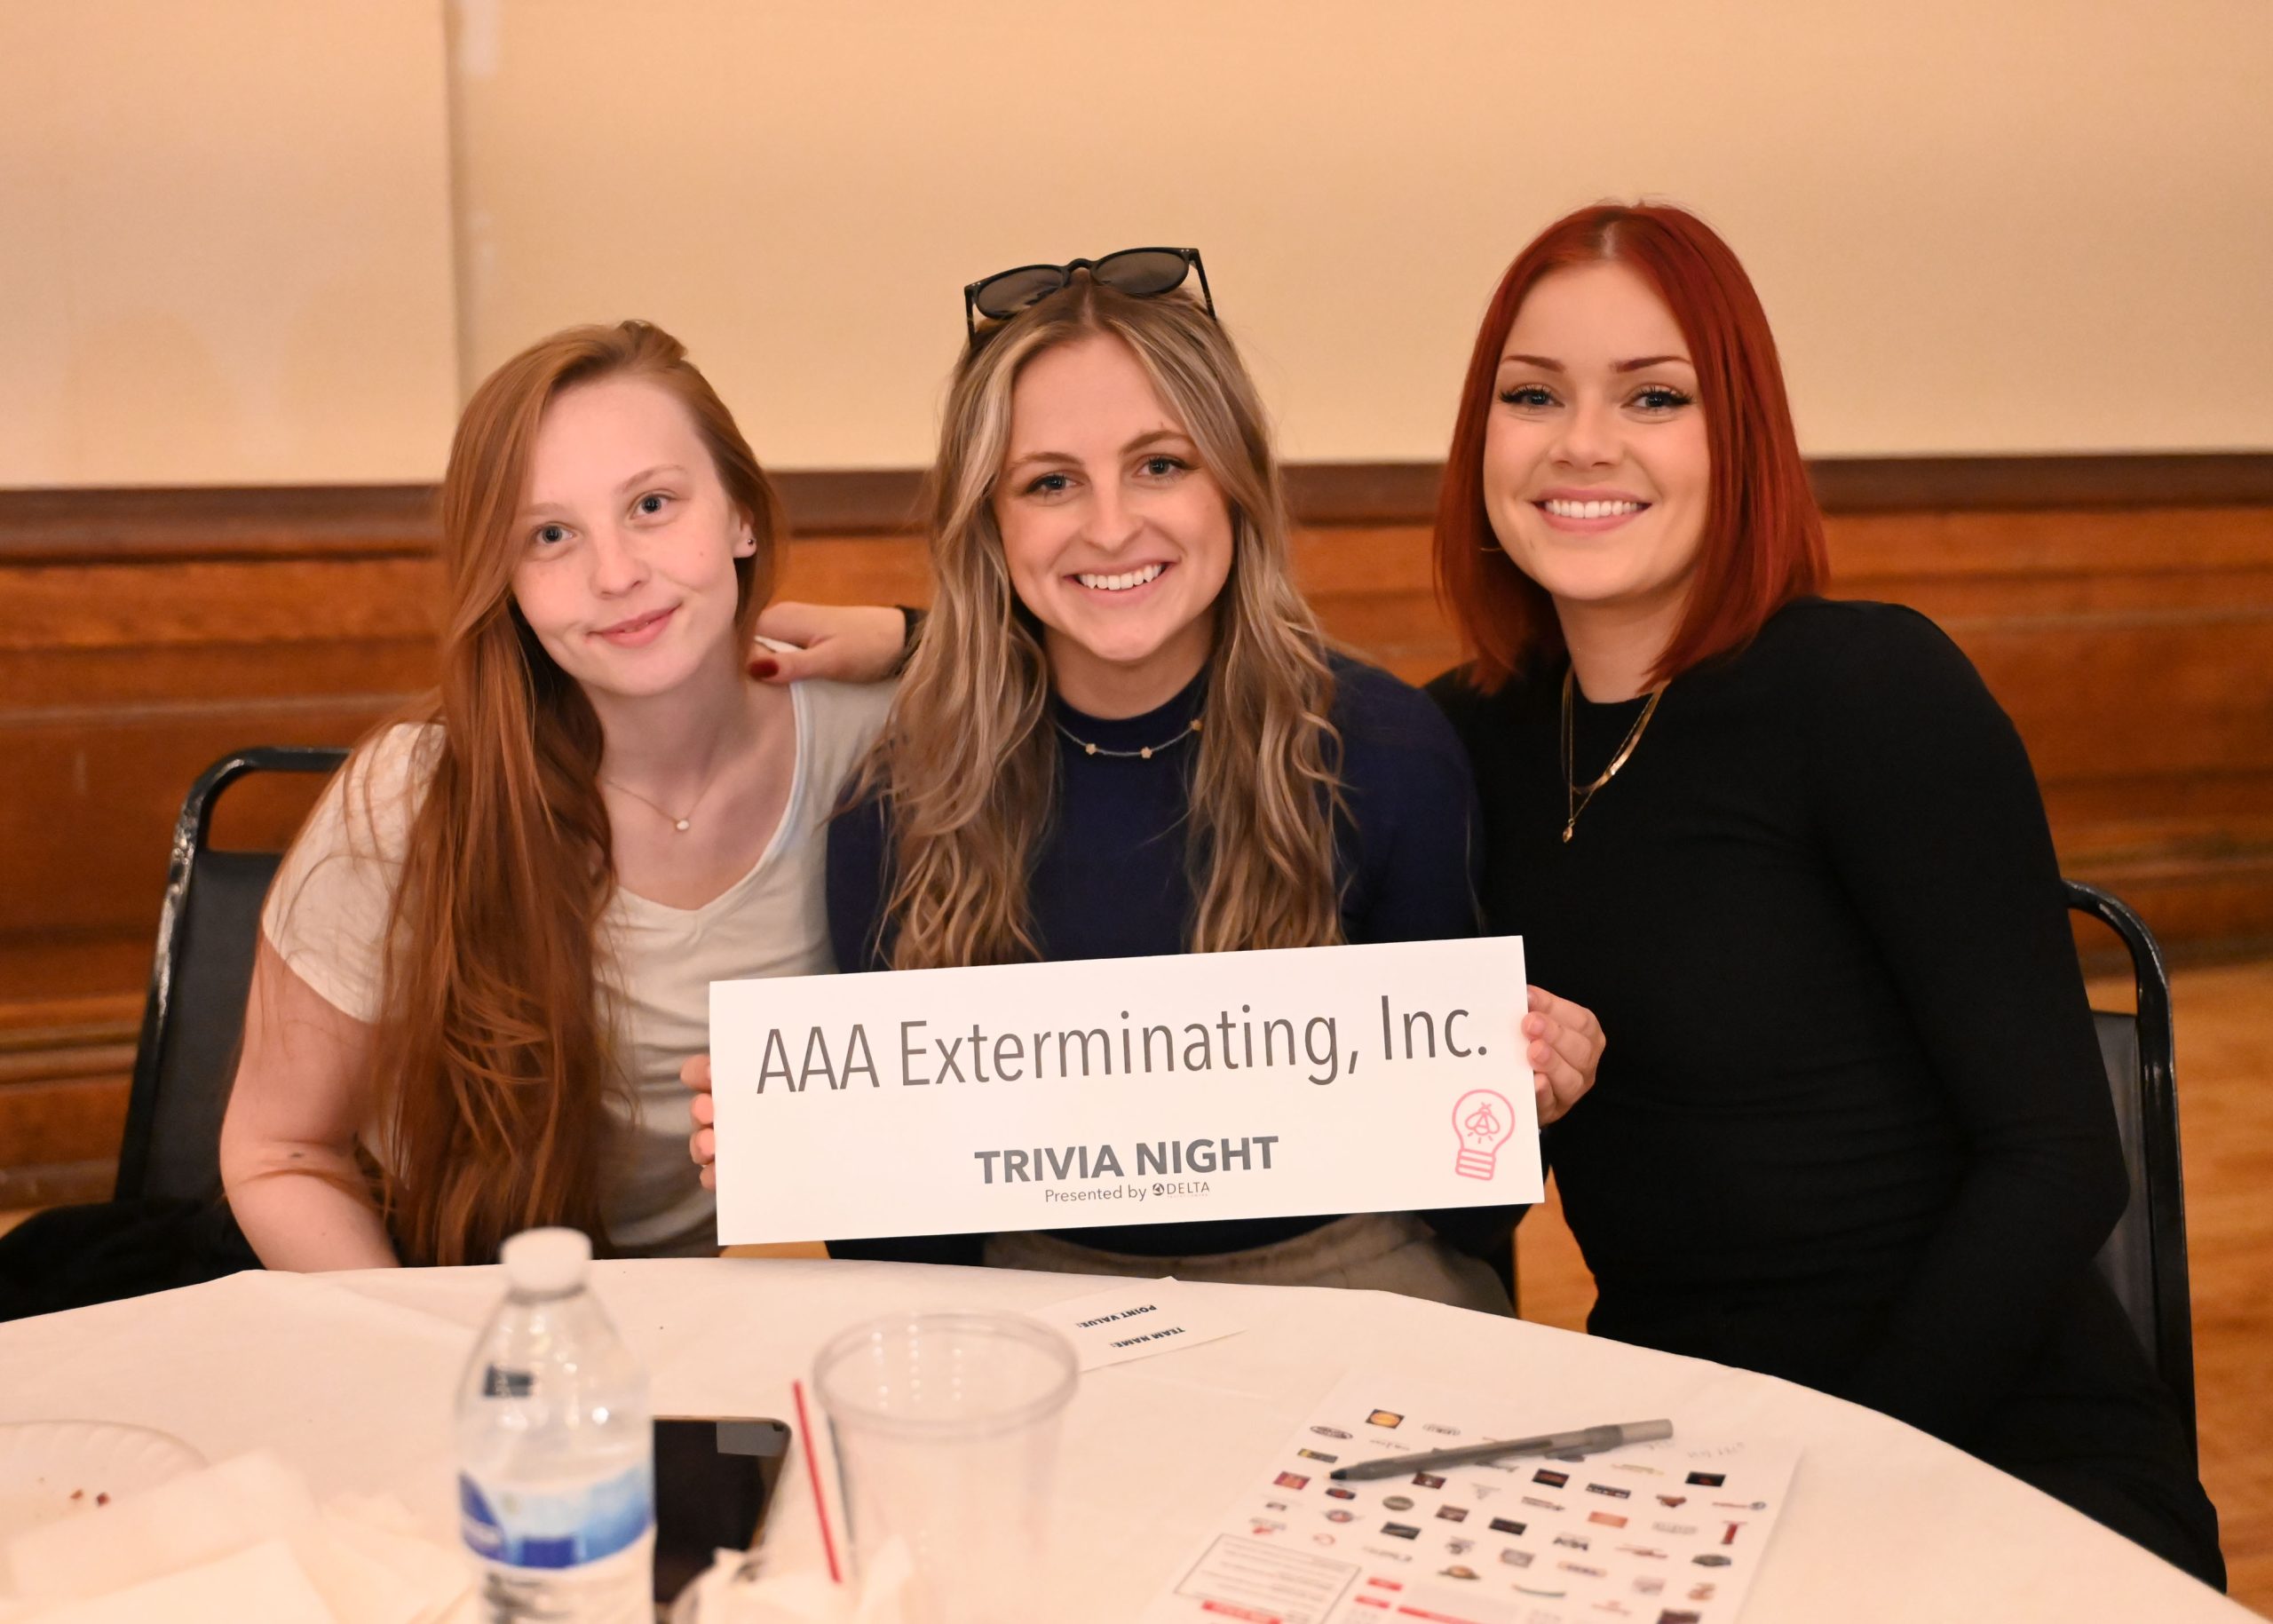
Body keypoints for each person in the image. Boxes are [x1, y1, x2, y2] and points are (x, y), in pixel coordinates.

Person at [1423, 202, 2222, 1583]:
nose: (1582, 443)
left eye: (1654, 396)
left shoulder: (1869, 689)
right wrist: (1502, 1115)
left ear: (1740, 434)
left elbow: (2059, 1158)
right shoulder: (1460, 742)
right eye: (1533, 394)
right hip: (1679, 1446)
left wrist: (1827, 1480)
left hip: (1984, 1438)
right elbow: (1455, 1190)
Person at [685, 252, 1604, 1311]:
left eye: (1160, 464)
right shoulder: (903, 795)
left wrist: (1525, 1097)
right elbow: (909, 1253)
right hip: (1031, 1290)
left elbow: (1467, 1213)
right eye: (1050, 482)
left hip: (1350, 1274)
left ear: (1234, 485)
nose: (1112, 525)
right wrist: (813, 1141)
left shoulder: (1385, 751)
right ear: (990, 523)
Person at [219, 321, 889, 1270]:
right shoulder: (411, 797)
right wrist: (428, 1341)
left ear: (742, 514)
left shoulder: (891, 740)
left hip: (800, 1301)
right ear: (506, 581)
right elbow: (280, 1150)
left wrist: (917, 631)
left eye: (652, 504)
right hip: (497, 1305)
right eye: (550, 535)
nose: (615, 575)